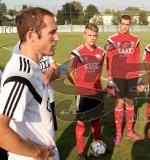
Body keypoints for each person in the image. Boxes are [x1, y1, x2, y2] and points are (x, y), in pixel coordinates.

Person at [0, 7, 59, 160]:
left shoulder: (33, 66)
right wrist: (38, 153)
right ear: (31, 35)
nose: (57, 37)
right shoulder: (21, 74)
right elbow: (0, 130)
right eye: (52, 32)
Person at [67, 23, 106, 160]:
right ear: (84, 35)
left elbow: (100, 69)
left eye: (94, 36)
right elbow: (69, 71)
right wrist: (78, 84)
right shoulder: (77, 51)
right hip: (83, 93)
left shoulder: (101, 52)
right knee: (81, 123)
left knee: (96, 121)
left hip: (97, 92)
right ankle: (81, 152)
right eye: (89, 35)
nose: (92, 38)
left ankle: (99, 146)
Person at [106, 15, 143, 145]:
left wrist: (140, 79)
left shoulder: (136, 40)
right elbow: (109, 60)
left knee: (130, 104)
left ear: (130, 24)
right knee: (119, 104)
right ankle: (118, 134)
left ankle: (129, 131)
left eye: (127, 24)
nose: (124, 26)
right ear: (119, 23)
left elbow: (137, 59)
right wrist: (110, 79)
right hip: (118, 77)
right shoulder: (112, 40)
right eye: (123, 24)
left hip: (132, 77)